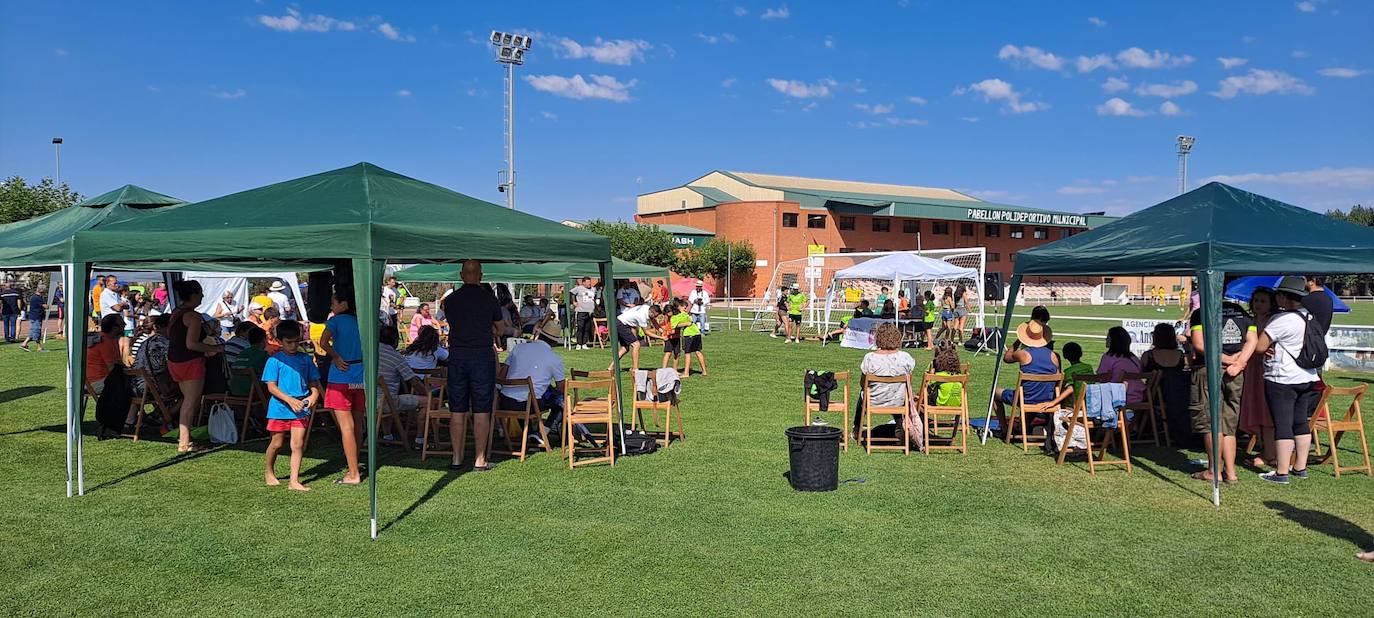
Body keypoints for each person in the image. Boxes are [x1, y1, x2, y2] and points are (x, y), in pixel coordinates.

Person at [1256, 276, 1322, 484]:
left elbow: (1259, 346)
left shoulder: (1281, 320)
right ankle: (1300, 467)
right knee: (1300, 422)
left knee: (1282, 424)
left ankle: (1281, 471)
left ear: (1284, 297)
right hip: (1307, 375)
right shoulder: (1308, 316)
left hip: (1282, 377)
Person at [440, 260, 504, 472]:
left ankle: (456, 458)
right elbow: (500, 328)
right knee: (481, 409)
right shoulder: (489, 299)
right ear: (481, 275)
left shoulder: (450, 301)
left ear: (461, 275)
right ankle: (479, 459)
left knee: (457, 409)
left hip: (457, 355)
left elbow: (452, 321)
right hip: (481, 356)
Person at [1188, 295, 1257, 485]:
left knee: (1211, 421)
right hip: (1236, 373)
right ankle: (1231, 472)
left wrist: (1226, 360)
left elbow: (1199, 343)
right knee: (1229, 423)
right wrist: (1240, 362)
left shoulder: (1200, 313)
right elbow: (1252, 340)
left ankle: (1213, 470)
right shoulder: (1241, 312)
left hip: (1208, 369)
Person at [261, 320, 320, 492]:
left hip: (301, 406)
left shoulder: (305, 359)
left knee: (297, 444)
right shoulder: (274, 361)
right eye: (289, 342)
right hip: (279, 408)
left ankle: (294, 480)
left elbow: (313, 381)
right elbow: (271, 387)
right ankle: (269, 470)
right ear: (279, 341)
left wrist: (314, 394)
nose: (293, 345)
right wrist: (289, 400)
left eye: (296, 341)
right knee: (277, 443)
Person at [168, 280, 225, 453]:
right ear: (193, 295)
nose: (203, 296)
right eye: (201, 293)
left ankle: (184, 438)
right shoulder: (193, 316)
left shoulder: (176, 312)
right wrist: (215, 348)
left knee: (187, 400)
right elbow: (191, 344)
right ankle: (185, 442)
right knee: (191, 402)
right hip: (190, 361)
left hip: (174, 360)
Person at [318, 289, 366, 484]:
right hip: (359, 375)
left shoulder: (335, 321)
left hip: (341, 377)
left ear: (343, 304)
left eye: (333, 302)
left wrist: (336, 356)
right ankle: (355, 464)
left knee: (346, 427)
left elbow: (322, 342)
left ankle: (353, 473)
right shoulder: (362, 321)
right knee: (357, 423)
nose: (331, 306)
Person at [991, 319, 1060, 437]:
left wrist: (1018, 341)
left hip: (1027, 399)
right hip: (1047, 399)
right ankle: (1025, 427)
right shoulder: (1054, 356)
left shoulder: (1024, 354)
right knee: (1035, 389)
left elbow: (1007, 357)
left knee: (995, 392)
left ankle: (1004, 429)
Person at [853, 323, 917, 442]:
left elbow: (863, 384)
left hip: (874, 400)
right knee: (898, 393)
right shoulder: (905, 358)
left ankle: (857, 428)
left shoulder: (870, 358)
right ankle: (899, 426)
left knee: (862, 394)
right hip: (898, 400)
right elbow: (909, 384)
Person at [499, 337, 567, 444]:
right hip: (529, 404)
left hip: (504, 401)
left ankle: (532, 432)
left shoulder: (518, 348)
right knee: (562, 402)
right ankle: (544, 430)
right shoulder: (554, 358)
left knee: (523, 397)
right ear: (554, 342)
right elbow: (562, 388)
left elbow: (501, 376)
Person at [1239, 287, 1277, 469]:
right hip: (1251, 368)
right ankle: (1264, 449)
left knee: (1266, 411)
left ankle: (1271, 453)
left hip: (1266, 369)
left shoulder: (1273, 322)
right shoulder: (1249, 321)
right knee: (1254, 408)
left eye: (1263, 301)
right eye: (1256, 301)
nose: (1259, 304)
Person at [1140, 322, 1190, 444]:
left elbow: (1141, 373)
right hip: (1177, 395)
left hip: (1155, 396)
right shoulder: (1180, 355)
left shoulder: (1149, 356)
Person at [377, 324, 426, 424]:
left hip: (366, 402)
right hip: (388, 403)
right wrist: (427, 394)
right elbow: (414, 382)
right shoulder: (395, 356)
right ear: (395, 340)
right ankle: (420, 437)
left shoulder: (371, 351)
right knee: (429, 401)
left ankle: (387, 435)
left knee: (387, 396)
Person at [1096, 327, 1145, 405]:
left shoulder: (1108, 357)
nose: (1106, 339)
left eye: (1108, 337)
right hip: (1140, 396)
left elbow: (1101, 377)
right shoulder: (1134, 358)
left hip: (1117, 398)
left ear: (1114, 341)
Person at [612, 301, 661, 372]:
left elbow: (654, 322)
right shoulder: (642, 316)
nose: (656, 317)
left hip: (620, 322)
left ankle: (611, 367)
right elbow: (646, 332)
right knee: (636, 345)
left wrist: (663, 331)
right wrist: (661, 338)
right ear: (652, 312)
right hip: (621, 324)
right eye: (655, 316)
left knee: (625, 348)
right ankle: (635, 368)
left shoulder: (647, 308)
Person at [86, 314, 126, 396]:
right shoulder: (105, 342)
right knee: (138, 386)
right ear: (114, 328)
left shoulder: (108, 339)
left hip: (95, 381)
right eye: (122, 324)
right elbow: (114, 369)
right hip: (96, 383)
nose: (125, 325)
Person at [228, 325, 269, 398]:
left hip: (235, 390)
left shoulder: (242, 353)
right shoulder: (263, 355)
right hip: (252, 392)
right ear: (264, 340)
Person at [678, 298, 708, 377]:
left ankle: (686, 373)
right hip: (697, 333)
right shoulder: (688, 315)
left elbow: (676, 325)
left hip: (689, 334)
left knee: (687, 353)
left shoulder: (681, 315)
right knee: (698, 351)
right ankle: (704, 371)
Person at [570, 277, 597, 350]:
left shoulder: (593, 289)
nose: (589, 284)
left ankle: (584, 343)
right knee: (580, 327)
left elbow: (594, 298)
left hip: (590, 312)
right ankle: (579, 343)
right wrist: (574, 302)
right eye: (588, 282)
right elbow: (571, 293)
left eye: (590, 282)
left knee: (587, 328)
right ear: (583, 282)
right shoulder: (578, 288)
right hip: (581, 311)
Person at [20, 286, 46, 351]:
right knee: (37, 332)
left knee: (32, 331)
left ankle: (24, 344)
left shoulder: (35, 297)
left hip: (35, 316)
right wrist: (47, 305)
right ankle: (39, 347)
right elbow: (45, 306)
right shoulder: (37, 298)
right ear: (41, 291)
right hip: (36, 317)